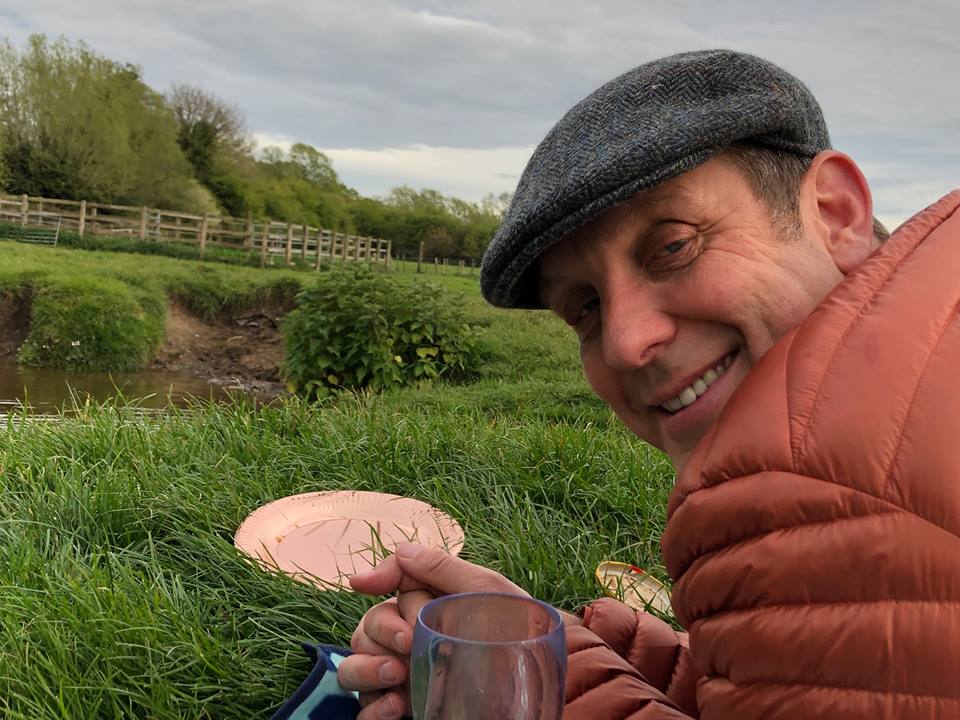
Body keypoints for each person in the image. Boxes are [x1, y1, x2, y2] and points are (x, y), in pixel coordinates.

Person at [337, 49, 960, 719]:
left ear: (836, 213)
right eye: (586, 307)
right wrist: (550, 654)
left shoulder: (810, 494)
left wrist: (522, 699)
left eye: (673, 245)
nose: (626, 343)